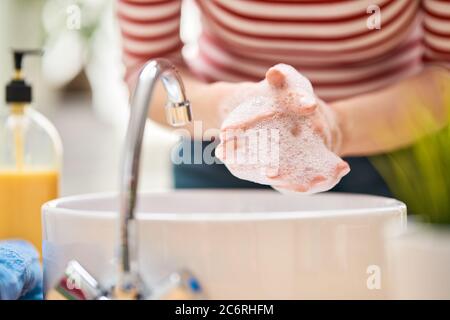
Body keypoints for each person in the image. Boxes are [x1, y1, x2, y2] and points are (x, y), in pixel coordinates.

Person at [117, 0, 450, 196]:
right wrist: (231, 108)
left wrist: (337, 127)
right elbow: (146, 71)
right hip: (219, 155)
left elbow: (444, 70)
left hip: (391, 154)